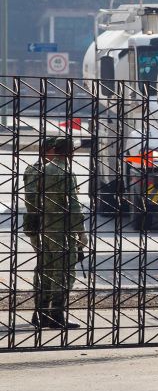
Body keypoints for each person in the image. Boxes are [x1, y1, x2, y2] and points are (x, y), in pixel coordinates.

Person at [38, 137, 86, 329]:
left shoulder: (44, 169)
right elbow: (73, 205)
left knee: (48, 271)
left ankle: (42, 313)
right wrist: (81, 231)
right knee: (65, 272)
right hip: (62, 230)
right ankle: (57, 315)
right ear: (70, 152)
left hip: (47, 227)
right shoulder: (66, 172)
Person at [23, 136, 58, 328]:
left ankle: (46, 312)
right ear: (47, 151)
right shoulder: (37, 170)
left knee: (52, 268)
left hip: (51, 225)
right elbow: (32, 199)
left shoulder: (53, 170)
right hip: (41, 226)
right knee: (46, 268)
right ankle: (41, 312)